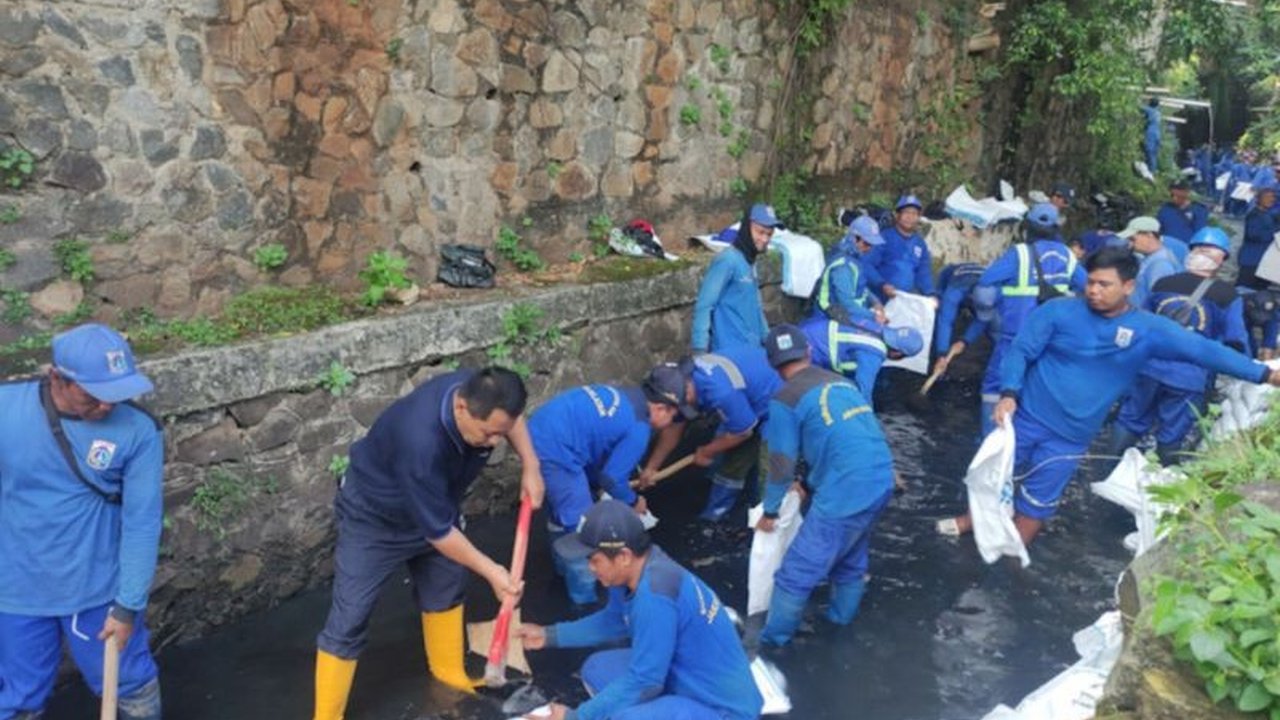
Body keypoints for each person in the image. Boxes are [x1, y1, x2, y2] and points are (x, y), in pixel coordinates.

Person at [939, 248, 1280, 546]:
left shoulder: (1148, 330)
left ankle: (1009, 556)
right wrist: (1009, 393)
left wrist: (1263, 373)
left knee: (1038, 501)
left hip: (1072, 436)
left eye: (1105, 285)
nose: (1093, 291)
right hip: (1025, 417)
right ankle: (972, 521)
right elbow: (1021, 350)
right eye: (1090, 283)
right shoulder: (1058, 311)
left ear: (1129, 287)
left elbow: (1203, 350)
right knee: (992, 474)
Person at [314, 367, 546, 720]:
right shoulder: (419, 440)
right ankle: (326, 716)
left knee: (447, 587)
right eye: (488, 434)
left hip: (437, 503)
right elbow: (439, 535)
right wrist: (494, 572)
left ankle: (449, 677)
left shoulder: (486, 393)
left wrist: (531, 464)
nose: (495, 442)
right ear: (462, 409)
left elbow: (509, 421)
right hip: (374, 519)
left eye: (500, 433)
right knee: (350, 618)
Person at [0, 324, 163, 720]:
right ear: (58, 378)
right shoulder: (7, 412)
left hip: (98, 592)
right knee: (19, 698)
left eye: (116, 393)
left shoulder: (138, 430)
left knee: (130, 685)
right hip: (18, 591)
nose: (108, 406)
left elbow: (142, 521)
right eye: (94, 395)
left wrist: (127, 606)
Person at [519, 499, 763, 720]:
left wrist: (575, 718)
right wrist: (550, 635)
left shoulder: (654, 597)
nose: (590, 568)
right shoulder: (634, 571)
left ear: (623, 556)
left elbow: (646, 681)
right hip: (683, 674)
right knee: (597, 669)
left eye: (594, 560)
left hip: (722, 708)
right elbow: (613, 621)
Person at [755, 325, 895, 647]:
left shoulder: (785, 399)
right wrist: (807, 483)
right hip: (881, 477)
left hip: (847, 488)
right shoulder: (840, 382)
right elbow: (841, 440)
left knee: (796, 573)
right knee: (850, 556)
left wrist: (771, 511)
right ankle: (838, 625)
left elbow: (780, 464)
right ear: (808, 353)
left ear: (773, 366)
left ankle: (773, 645)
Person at [529, 370, 691, 605]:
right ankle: (584, 600)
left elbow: (598, 452)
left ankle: (561, 567)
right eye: (674, 418)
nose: (671, 425)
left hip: (541, 428)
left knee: (562, 510)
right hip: (557, 448)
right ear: (660, 409)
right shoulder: (640, 427)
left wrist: (595, 486)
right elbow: (613, 478)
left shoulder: (626, 397)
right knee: (583, 526)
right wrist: (634, 501)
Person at [1113, 227, 1248, 464]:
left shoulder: (1164, 283)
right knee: (1172, 431)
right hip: (1189, 375)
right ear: (1220, 260)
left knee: (1130, 419)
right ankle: (1161, 479)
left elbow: (1141, 321)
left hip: (1149, 366)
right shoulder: (1227, 295)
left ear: (1192, 251)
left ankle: (1107, 468)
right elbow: (1236, 341)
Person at [975, 202, 1086, 435]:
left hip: (1015, 336)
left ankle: (991, 441)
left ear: (1028, 227)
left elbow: (985, 283)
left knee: (996, 387)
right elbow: (1086, 287)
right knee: (1037, 389)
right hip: (1051, 339)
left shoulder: (1020, 253)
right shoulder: (1067, 255)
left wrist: (990, 313)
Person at [637, 347, 781, 522]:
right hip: (744, 397)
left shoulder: (720, 393)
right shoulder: (679, 384)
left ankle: (744, 515)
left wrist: (707, 451)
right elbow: (673, 428)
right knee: (728, 455)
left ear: (687, 393)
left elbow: (743, 432)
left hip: (775, 399)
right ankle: (742, 499)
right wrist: (652, 467)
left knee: (759, 465)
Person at [691, 204, 780, 353]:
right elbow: (704, 305)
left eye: (769, 234)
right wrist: (700, 349)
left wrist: (767, 339)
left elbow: (756, 307)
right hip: (729, 350)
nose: (765, 239)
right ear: (746, 228)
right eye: (760, 232)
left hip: (752, 348)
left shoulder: (750, 261)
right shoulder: (728, 260)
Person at [797, 315, 923, 406]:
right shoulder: (874, 353)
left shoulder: (876, 325)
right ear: (898, 353)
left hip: (807, 326)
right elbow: (864, 391)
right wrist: (869, 423)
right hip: (809, 348)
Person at [810, 215, 885, 325]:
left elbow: (859, 287)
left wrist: (875, 301)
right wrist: (873, 317)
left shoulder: (854, 258)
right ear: (854, 238)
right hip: (830, 319)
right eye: (867, 243)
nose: (869, 249)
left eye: (872, 245)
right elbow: (846, 303)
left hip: (848, 315)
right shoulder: (843, 267)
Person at [864, 195, 936, 301]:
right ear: (897, 215)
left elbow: (923, 272)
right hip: (879, 297)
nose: (910, 217)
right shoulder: (883, 238)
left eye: (914, 214)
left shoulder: (920, 244)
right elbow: (867, 264)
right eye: (906, 212)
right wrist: (881, 284)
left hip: (904, 300)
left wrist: (930, 293)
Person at [933, 263, 997, 364]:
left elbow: (983, 318)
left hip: (975, 287)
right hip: (953, 279)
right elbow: (945, 320)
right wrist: (941, 354)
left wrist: (964, 341)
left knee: (995, 325)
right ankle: (934, 353)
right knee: (941, 311)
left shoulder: (995, 292)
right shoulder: (953, 293)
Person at [1118, 216, 1181, 309]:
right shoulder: (1151, 258)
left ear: (1149, 235)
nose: (1130, 243)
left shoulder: (1160, 265)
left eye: (1132, 239)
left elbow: (1159, 300)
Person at [1238, 182, 1279, 290]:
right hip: (1251, 260)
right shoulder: (1254, 215)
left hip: (1265, 262)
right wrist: (1275, 232)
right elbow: (1254, 235)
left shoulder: (1268, 215)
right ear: (1258, 199)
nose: (1271, 199)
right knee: (1243, 289)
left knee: (1260, 292)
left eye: (1273, 197)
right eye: (1267, 197)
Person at [1155, 179, 1210, 244]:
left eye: (1178, 195)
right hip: (1166, 246)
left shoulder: (1198, 210)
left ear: (1187, 192)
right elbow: (1158, 228)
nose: (1174, 198)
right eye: (1172, 195)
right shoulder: (1165, 209)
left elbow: (1200, 233)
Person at [1142, 98, 1162, 173]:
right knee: (1154, 153)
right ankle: (1153, 170)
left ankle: (1150, 171)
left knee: (1149, 151)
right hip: (1157, 133)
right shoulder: (1158, 112)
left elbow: (1140, 107)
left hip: (1151, 132)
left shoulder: (1150, 110)